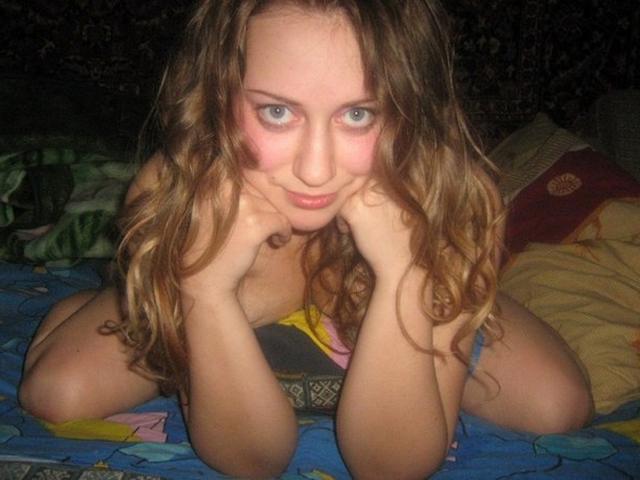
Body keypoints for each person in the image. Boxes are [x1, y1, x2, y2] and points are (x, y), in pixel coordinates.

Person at [18, 0, 594, 478]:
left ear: (411, 109)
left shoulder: (444, 197)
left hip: (392, 294)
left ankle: (424, 317)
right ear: (218, 97)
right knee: (57, 393)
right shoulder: (183, 194)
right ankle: (115, 298)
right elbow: (251, 462)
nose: (315, 171)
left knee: (559, 405)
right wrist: (205, 290)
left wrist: (406, 273)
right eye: (276, 112)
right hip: (221, 307)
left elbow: (391, 467)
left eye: (359, 115)